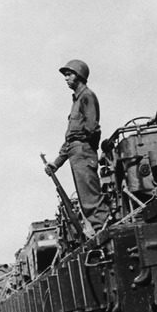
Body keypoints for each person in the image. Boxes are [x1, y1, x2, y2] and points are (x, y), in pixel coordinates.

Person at [44, 59, 109, 233]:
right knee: (85, 198)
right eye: (65, 75)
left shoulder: (87, 96)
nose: (66, 78)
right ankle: (100, 229)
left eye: (69, 74)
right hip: (77, 152)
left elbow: (92, 128)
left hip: (83, 152)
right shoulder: (77, 100)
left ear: (79, 76)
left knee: (90, 198)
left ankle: (103, 227)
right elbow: (71, 138)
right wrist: (56, 163)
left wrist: (86, 148)